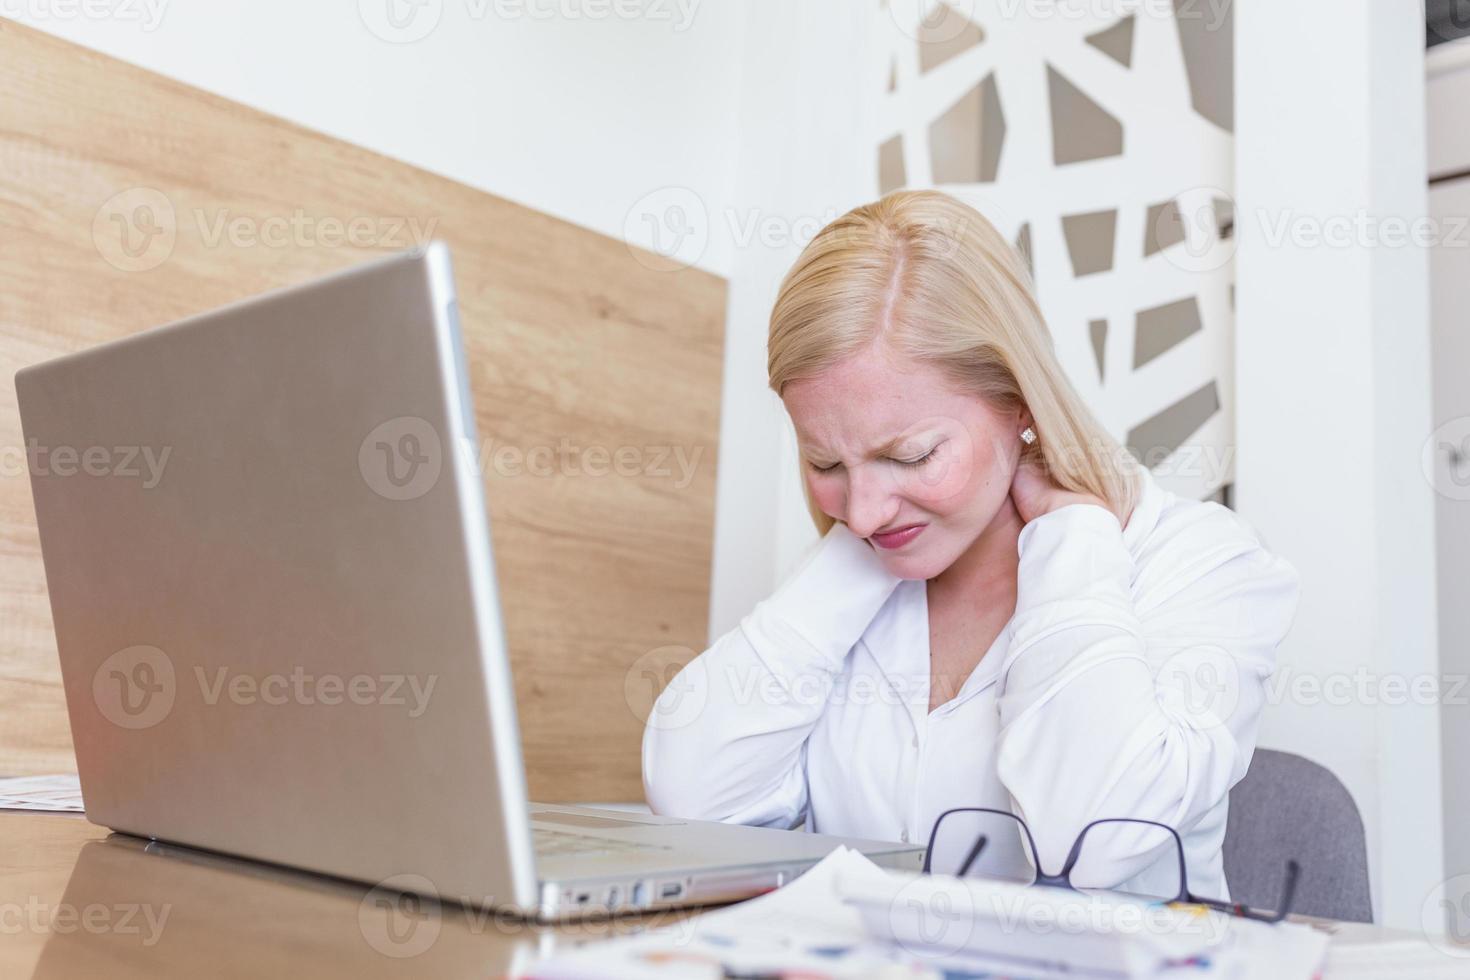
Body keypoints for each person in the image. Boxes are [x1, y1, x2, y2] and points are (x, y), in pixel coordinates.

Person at [642, 189, 1300, 901]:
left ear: (1020, 398)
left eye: (914, 454)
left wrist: (1071, 534)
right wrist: (853, 561)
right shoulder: (867, 558)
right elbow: (694, 802)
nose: (861, 511)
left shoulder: (1207, 565)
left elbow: (1094, 842)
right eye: (825, 463)